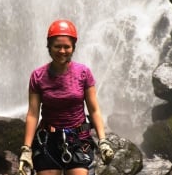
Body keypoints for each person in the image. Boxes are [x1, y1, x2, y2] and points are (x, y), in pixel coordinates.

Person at [18, 19, 114, 175]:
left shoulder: (83, 73)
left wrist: (103, 141)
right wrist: (26, 149)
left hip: (78, 139)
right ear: (49, 46)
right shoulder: (38, 76)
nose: (62, 51)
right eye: (57, 46)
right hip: (48, 139)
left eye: (66, 47)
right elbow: (33, 113)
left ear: (73, 47)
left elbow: (94, 109)